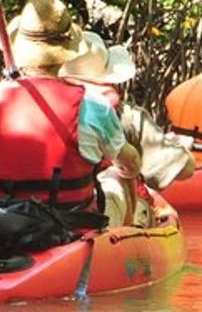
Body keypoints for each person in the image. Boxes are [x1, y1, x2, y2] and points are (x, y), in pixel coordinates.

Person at [0, 0, 141, 225]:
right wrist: (125, 171)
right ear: (67, 52)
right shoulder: (93, 104)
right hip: (71, 225)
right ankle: (130, 246)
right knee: (117, 178)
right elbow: (130, 163)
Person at [61, 32, 195, 226]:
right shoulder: (126, 114)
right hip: (99, 212)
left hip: (43, 209)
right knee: (120, 173)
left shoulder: (41, 107)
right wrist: (183, 150)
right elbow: (185, 170)